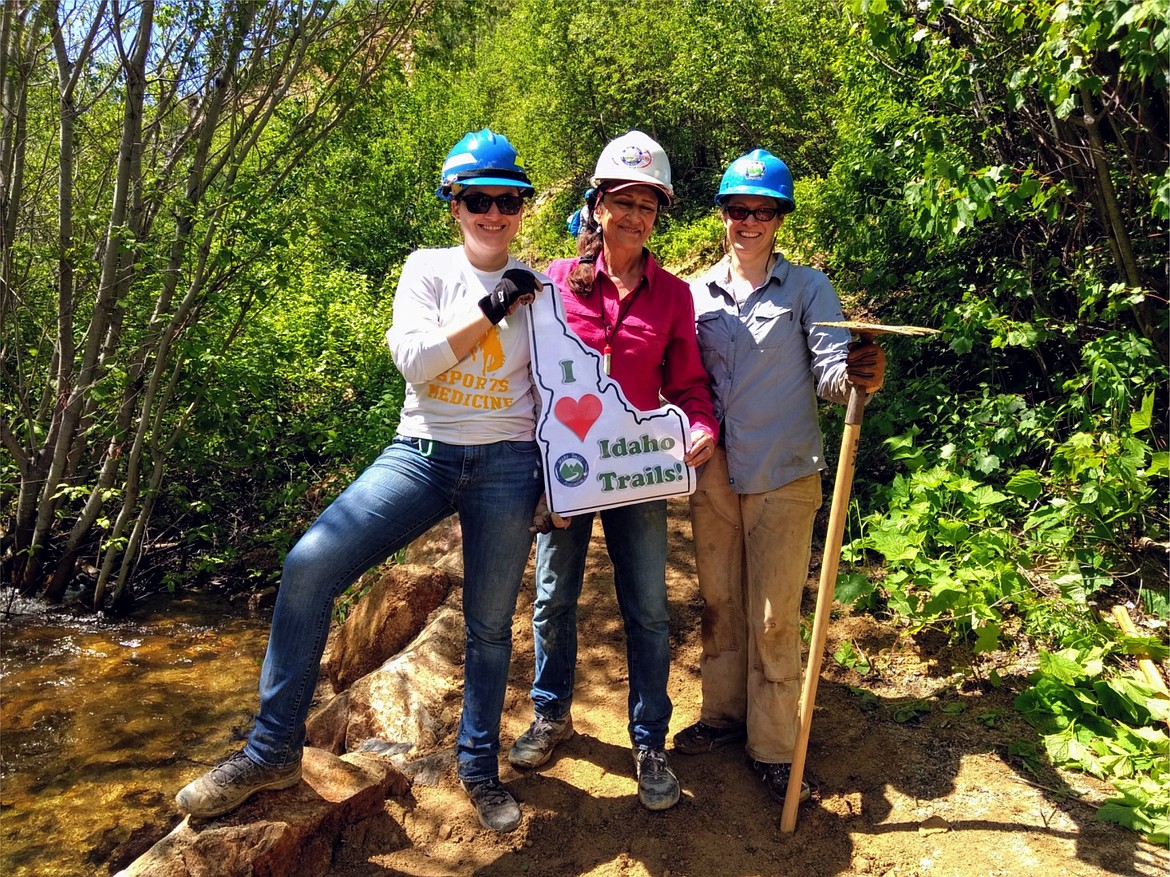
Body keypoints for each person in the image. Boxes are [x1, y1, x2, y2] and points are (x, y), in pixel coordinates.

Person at [175, 129, 551, 833]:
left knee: (490, 624)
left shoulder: (544, 284)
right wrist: (497, 303)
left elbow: (565, 386)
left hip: (506, 463)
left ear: (523, 206)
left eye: (507, 200)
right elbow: (417, 362)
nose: (493, 213)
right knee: (310, 564)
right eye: (478, 198)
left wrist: (564, 481)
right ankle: (271, 750)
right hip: (421, 450)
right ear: (454, 203)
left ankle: (477, 764)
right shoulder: (430, 269)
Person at [507, 131, 719, 811]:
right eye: (622, 202)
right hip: (566, 470)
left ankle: (649, 738)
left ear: (658, 217)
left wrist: (703, 426)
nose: (633, 216)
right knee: (552, 597)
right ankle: (551, 712)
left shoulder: (673, 297)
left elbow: (687, 386)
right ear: (597, 206)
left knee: (649, 609)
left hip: (637, 474)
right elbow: (528, 381)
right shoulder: (551, 286)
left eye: (647, 207)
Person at [672, 149, 885, 804]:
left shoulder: (808, 290)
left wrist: (856, 376)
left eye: (764, 211)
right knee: (720, 601)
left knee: (772, 615)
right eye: (739, 209)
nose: (750, 221)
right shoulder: (694, 292)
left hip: (785, 475)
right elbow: (682, 379)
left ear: (780, 218)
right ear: (723, 215)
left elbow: (828, 374)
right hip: (715, 477)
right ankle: (722, 715)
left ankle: (772, 744)